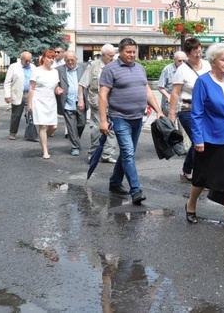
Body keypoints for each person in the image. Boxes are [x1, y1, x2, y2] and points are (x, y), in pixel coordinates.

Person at [185, 43, 224, 231]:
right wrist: (198, 139)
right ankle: (191, 205)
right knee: (202, 177)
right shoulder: (203, 82)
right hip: (210, 137)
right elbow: (197, 113)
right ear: (213, 61)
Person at [99, 37, 163, 206]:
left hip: (137, 118)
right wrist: (103, 120)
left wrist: (159, 111)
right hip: (120, 118)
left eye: (134, 52)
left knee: (128, 153)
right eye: (128, 52)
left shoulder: (140, 68)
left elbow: (147, 90)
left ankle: (114, 182)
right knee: (128, 153)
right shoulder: (110, 69)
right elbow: (103, 95)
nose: (132, 55)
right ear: (120, 52)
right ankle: (136, 190)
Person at [169, 38, 209, 182]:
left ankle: (187, 169)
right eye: (194, 53)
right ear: (187, 54)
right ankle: (202, 173)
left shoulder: (207, 65)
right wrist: (171, 113)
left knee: (200, 141)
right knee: (199, 140)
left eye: (199, 51)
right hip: (187, 110)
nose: (198, 55)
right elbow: (175, 92)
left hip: (206, 110)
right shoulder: (182, 70)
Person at [80, 44, 117, 163]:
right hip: (96, 100)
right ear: (103, 55)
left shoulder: (116, 65)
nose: (112, 58)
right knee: (97, 128)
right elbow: (82, 84)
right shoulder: (93, 66)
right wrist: (81, 99)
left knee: (112, 128)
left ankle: (107, 154)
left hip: (112, 101)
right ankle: (94, 153)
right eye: (110, 56)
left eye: (113, 56)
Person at [27, 49, 60, 159]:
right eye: (49, 58)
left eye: (53, 58)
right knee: (43, 127)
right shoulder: (37, 71)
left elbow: (55, 86)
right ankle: (45, 150)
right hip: (39, 100)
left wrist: (58, 89)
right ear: (43, 58)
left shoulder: (55, 72)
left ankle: (43, 140)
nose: (51, 60)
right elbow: (31, 88)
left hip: (51, 101)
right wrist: (29, 104)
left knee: (54, 126)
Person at [56, 51, 87, 156]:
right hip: (67, 102)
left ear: (76, 60)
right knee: (71, 126)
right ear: (64, 61)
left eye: (72, 60)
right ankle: (75, 147)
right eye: (67, 60)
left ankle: (75, 139)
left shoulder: (84, 68)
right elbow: (53, 82)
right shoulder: (58, 70)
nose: (70, 62)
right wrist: (56, 88)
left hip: (81, 101)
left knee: (82, 123)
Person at [3, 51, 34, 141]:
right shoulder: (13, 67)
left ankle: (30, 133)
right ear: (21, 59)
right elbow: (7, 82)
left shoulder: (33, 68)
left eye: (29, 60)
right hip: (17, 93)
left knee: (30, 114)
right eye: (26, 61)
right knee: (16, 115)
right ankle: (13, 132)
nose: (28, 63)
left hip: (30, 94)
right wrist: (7, 95)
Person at [157, 51, 187, 118]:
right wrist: (168, 96)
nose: (182, 63)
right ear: (174, 60)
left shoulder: (188, 69)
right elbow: (160, 86)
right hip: (169, 103)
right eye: (180, 61)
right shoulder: (167, 69)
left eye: (184, 61)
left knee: (183, 128)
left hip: (183, 104)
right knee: (169, 127)